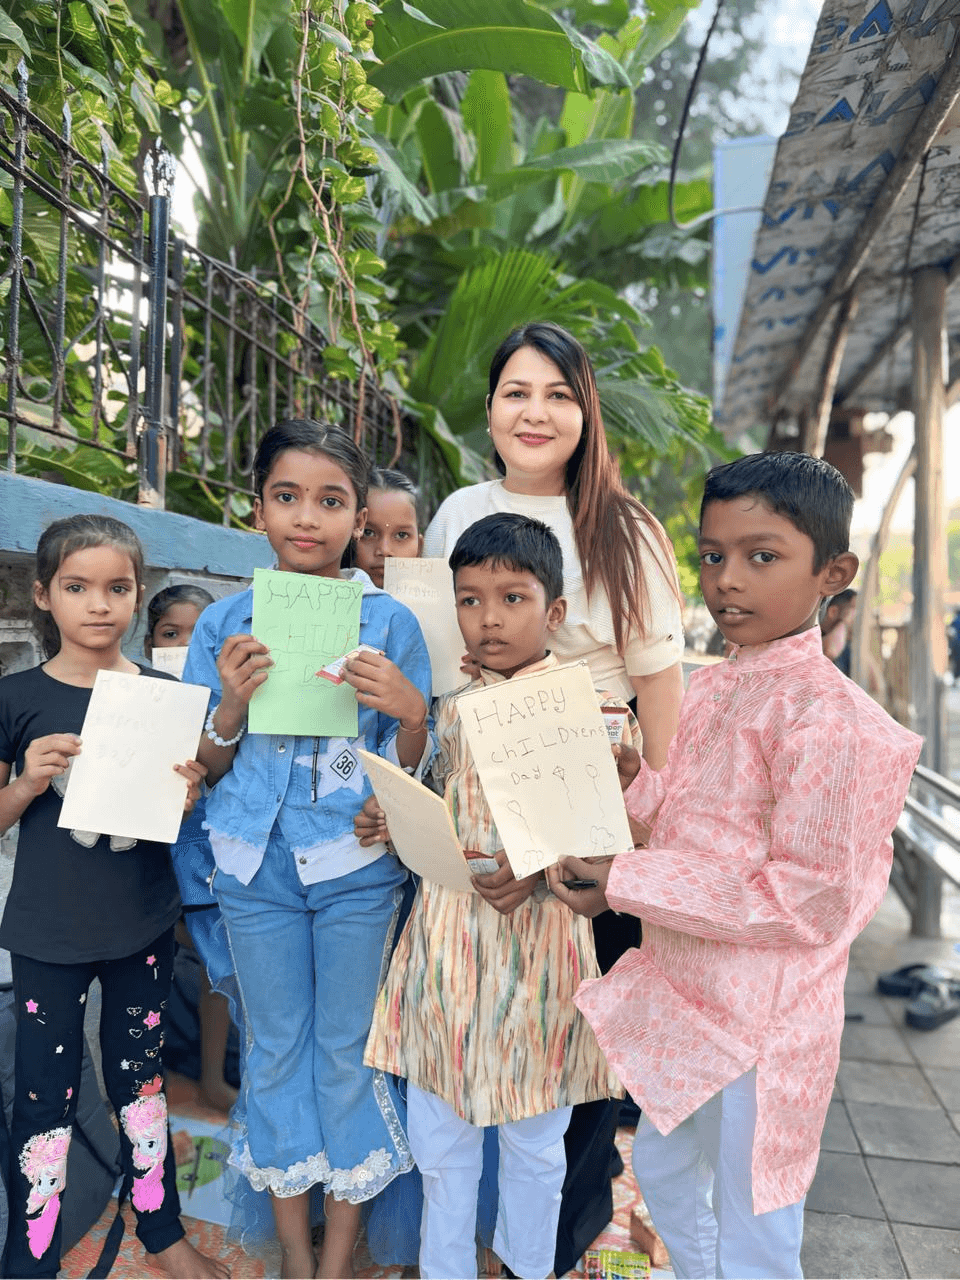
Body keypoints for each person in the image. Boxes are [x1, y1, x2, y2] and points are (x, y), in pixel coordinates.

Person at [551, 452, 923, 1280]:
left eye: (762, 556)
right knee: (666, 1173)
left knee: (757, 1221)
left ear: (833, 574)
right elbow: (692, 819)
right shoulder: (719, 686)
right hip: (689, 993)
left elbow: (805, 900)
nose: (727, 579)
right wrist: (634, 786)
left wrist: (624, 881)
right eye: (714, 556)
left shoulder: (836, 724)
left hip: (763, 1028)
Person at [423, 321, 683, 1269]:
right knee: (469, 1026)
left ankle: (549, 1248)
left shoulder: (625, 528)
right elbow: (443, 659)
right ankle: (468, 1239)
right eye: (517, 392)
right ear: (490, 407)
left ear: (586, 411)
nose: (536, 413)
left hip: (587, 802)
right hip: (474, 799)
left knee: (573, 1049)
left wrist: (645, 830)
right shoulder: (459, 511)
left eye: (559, 395)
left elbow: (659, 687)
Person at [183, 419, 433, 1280]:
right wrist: (229, 704)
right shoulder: (224, 623)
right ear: (257, 510)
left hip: (354, 869)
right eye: (287, 497)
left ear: (358, 519)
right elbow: (204, 764)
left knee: (347, 1052)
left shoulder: (390, 622)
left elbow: (412, 767)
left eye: (330, 501)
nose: (306, 517)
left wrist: (410, 712)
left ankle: (337, 1258)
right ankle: (294, 1252)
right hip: (251, 865)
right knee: (275, 1048)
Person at [362, 513, 634, 1280]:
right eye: (471, 599)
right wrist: (395, 818)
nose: (489, 618)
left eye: (513, 598)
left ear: (553, 611)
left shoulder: (593, 714)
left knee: (536, 1145)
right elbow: (435, 810)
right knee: (440, 1142)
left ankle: (526, 1268)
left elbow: (609, 846)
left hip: (540, 956)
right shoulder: (447, 709)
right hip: (447, 949)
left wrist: (542, 864)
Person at [0, 515, 228, 1280]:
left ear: (137, 594)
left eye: (118, 588)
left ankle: (161, 1231)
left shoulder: (167, 698)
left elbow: (182, 817)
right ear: (44, 594)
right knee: (43, 1102)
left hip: (142, 927)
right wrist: (26, 783)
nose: (99, 605)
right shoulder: (16, 698)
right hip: (47, 938)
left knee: (141, 1084)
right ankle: (31, 1258)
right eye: (77, 587)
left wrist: (188, 798)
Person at [144, 584, 241, 1117]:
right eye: (170, 634)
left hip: (207, 842)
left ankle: (210, 1077)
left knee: (213, 958)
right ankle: (145, 1074)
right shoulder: (137, 698)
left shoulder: (235, 703)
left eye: (198, 634)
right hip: (150, 845)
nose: (183, 645)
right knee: (151, 953)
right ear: (149, 643)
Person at [354, 467, 424, 589]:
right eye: (368, 533)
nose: (384, 550)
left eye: (401, 535)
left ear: (419, 548)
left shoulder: (444, 599)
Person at [820, 587, 857, 675]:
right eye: (854, 610)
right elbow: (829, 652)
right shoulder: (815, 640)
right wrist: (843, 624)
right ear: (833, 612)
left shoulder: (848, 648)